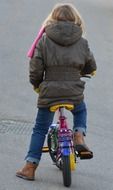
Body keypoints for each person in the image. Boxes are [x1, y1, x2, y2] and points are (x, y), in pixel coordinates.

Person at [16, 3, 97, 181]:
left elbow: (35, 68)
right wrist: (89, 71)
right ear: (76, 19)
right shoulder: (82, 41)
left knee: (39, 129)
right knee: (80, 109)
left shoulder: (44, 40)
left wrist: (37, 84)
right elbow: (90, 64)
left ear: (52, 19)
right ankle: (78, 135)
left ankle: (30, 166)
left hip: (50, 92)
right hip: (73, 92)